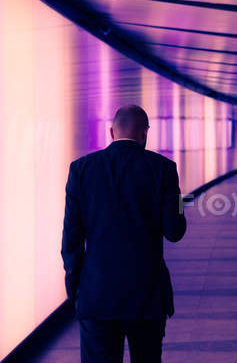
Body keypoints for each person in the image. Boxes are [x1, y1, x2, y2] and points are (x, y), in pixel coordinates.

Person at [61, 104, 186, 363]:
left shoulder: (81, 169)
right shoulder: (163, 169)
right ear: (145, 134)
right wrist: (180, 203)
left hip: (97, 294)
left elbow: (71, 239)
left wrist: (77, 288)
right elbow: (174, 231)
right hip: (147, 294)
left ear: (111, 132)